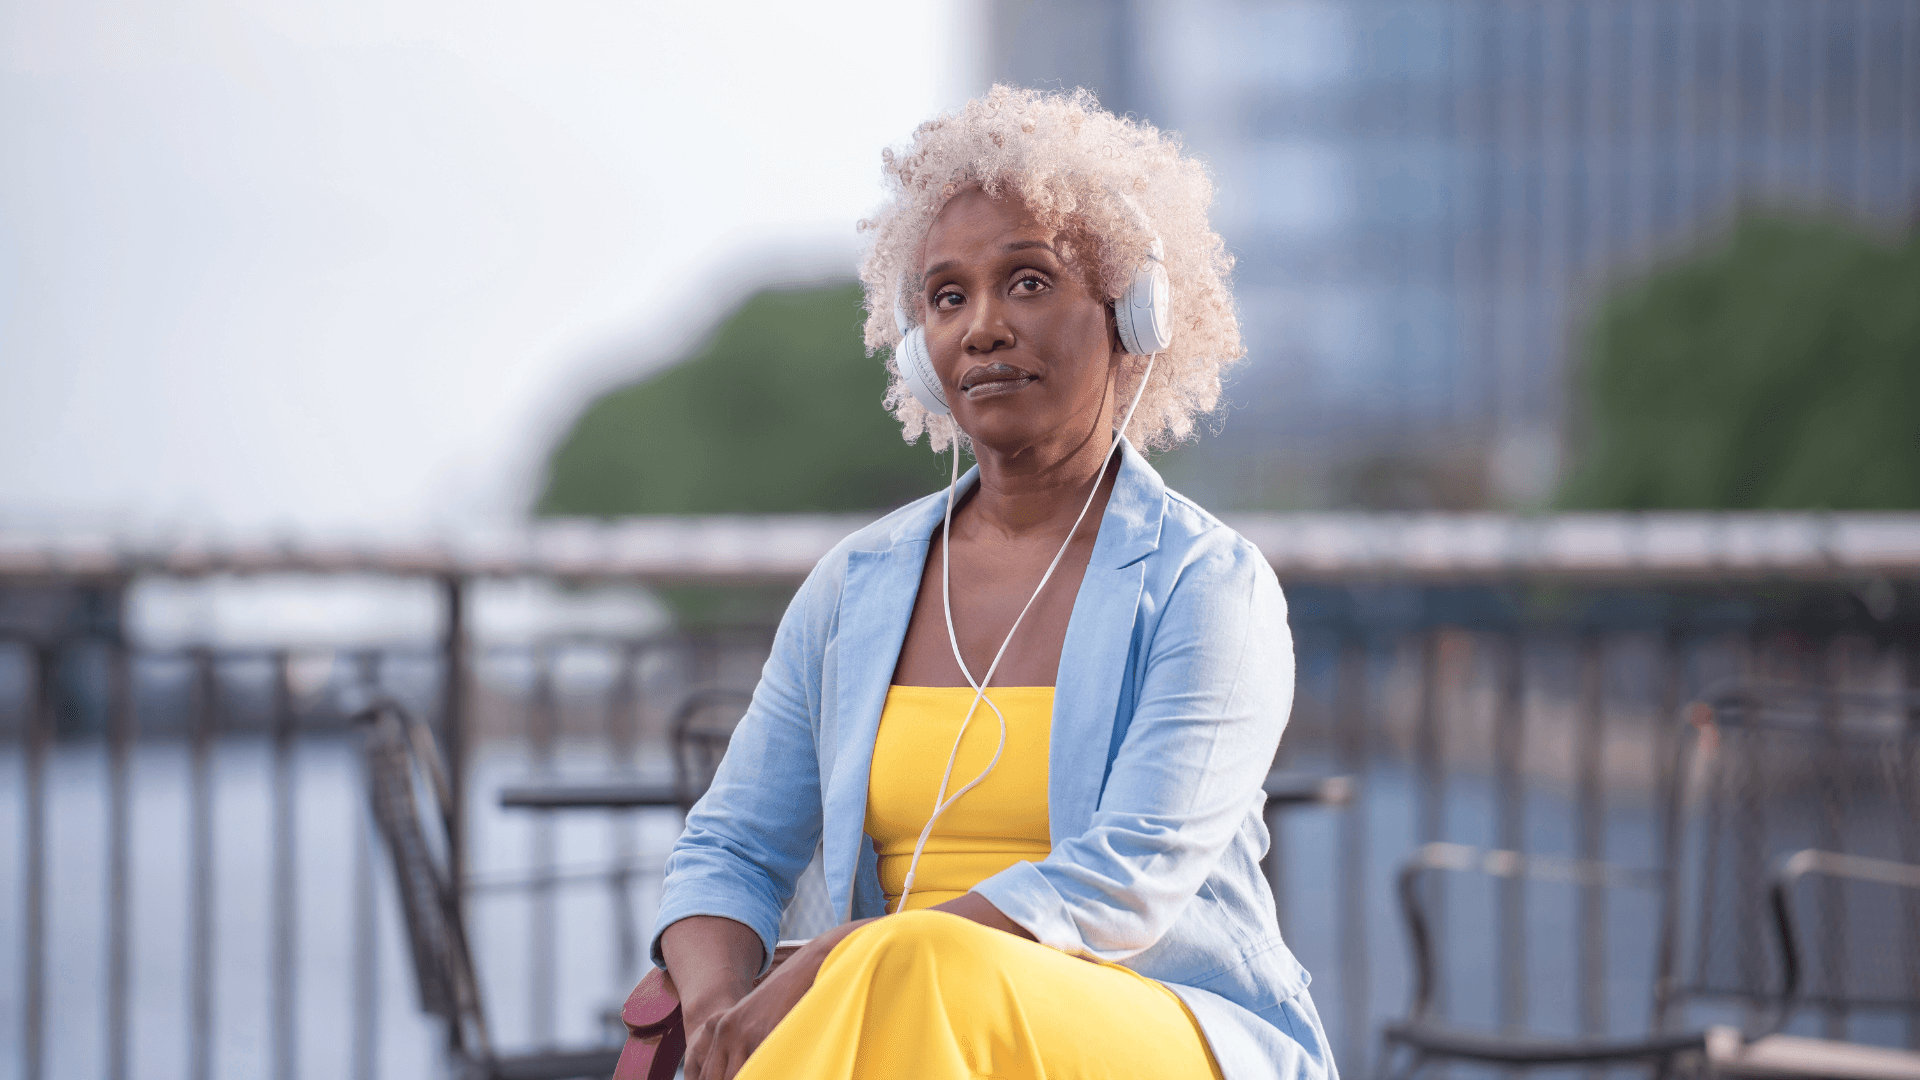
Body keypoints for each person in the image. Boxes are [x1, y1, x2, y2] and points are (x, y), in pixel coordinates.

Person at [651, 85, 1332, 1080]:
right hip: (893, 1022)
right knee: (904, 988)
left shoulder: (1208, 587)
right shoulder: (853, 589)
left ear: (1130, 312)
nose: (981, 327)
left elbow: (1125, 886)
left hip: (1164, 1027)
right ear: (922, 348)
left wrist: (852, 953)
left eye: (1026, 281)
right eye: (947, 296)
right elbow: (731, 849)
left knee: (919, 963)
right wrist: (718, 1015)